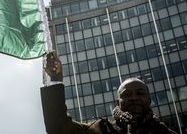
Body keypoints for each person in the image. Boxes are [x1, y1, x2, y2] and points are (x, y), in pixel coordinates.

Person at [41, 52, 177, 134]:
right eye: (126, 95)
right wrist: (55, 80)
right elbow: (58, 127)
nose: (134, 98)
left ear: (149, 99)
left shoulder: (165, 133)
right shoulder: (100, 130)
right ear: (118, 102)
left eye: (140, 93)